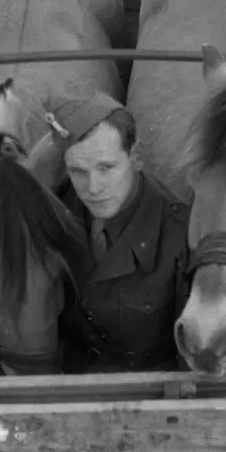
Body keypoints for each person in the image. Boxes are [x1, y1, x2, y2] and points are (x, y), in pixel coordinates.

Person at [45, 91, 190, 373]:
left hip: (144, 388)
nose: (93, 188)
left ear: (136, 158)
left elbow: (189, 352)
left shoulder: (178, 235)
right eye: (78, 171)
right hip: (69, 383)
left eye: (106, 167)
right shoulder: (57, 210)